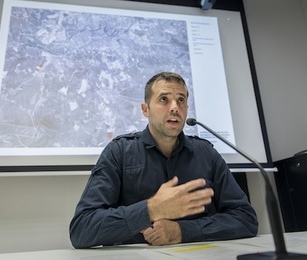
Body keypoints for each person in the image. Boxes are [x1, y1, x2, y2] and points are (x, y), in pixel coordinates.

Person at [69, 71, 258, 248]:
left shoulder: (206, 154)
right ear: (145, 109)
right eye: (164, 100)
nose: (175, 108)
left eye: (181, 100)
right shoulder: (119, 151)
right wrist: (151, 210)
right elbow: (82, 229)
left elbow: (245, 218)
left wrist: (182, 231)